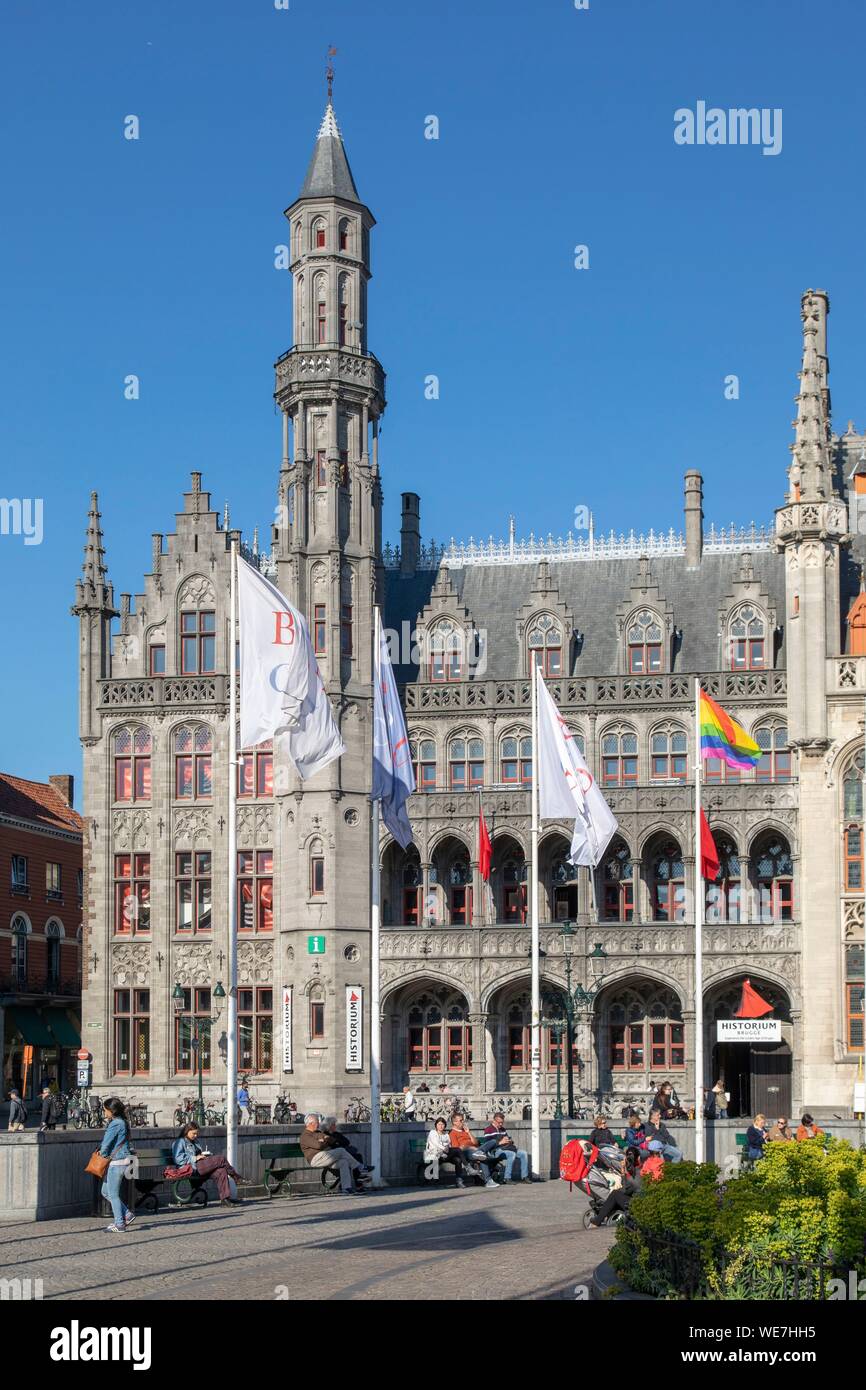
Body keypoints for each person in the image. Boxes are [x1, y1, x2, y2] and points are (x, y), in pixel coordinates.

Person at [171, 1123, 250, 1205]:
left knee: (221, 1171)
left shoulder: (195, 1142)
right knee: (221, 1159)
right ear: (187, 1131)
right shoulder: (180, 1142)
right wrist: (195, 1158)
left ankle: (225, 1200)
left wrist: (204, 1156)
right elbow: (178, 1159)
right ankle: (237, 1178)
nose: (195, 1136)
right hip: (191, 1168)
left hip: (200, 1167)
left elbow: (198, 1155)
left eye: (197, 1133)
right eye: (193, 1133)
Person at [299, 1113, 366, 1194]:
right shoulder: (305, 1136)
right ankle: (359, 1167)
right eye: (317, 1122)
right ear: (311, 1123)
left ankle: (346, 1188)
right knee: (341, 1151)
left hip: (324, 1157)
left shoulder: (316, 1133)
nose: (318, 1124)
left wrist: (324, 1140)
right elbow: (318, 1146)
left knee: (343, 1162)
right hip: (315, 1158)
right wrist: (324, 1140)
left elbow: (331, 1139)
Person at [98, 1097, 134, 1234]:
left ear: (111, 1111)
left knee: (113, 1194)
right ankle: (127, 1215)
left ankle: (119, 1224)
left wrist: (102, 1155)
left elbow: (106, 1142)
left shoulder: (115, 1124)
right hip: (121, 1160)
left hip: (117, 1161)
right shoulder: (122, 1122)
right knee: (105, 1191)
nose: (104, 1112)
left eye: (105, 1109)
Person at [589, 1145, 643, 1226]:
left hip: (637, 1204)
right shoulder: (641, 1169)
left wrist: (623, 1173)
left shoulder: (634, 1173)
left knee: (615, 1194)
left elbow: (625, 1190)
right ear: (638, 1158)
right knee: (616, 1194)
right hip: (640, 1200)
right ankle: (605, 1212)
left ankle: (598, 1220)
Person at [449, 1113, 498, 1188]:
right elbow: (457, 1149)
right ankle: (488, 1181)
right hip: (465, 1153)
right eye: (461, 1120)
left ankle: (479, 1152)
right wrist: (470, 1147)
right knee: (482, 1156)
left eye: (463, 1120)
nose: (463, 1122)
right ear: (454, 1122)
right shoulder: (452, 1133)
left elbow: (475, 1142)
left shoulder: (465, 1131)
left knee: (493, 1142)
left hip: (475, 1150)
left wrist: (468, 1132)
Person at [320, 1116, 373, 1183]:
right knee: (355, 1157)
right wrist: (337, 1142)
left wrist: (337, 1142)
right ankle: (360, 1178)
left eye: (335, 1124)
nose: (335, 1126)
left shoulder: (336, 1134)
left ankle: (360, 1176)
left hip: (343, 1154)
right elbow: (332, 1146)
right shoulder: (324, 1135)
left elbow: (347, 1142)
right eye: (333, 1124)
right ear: (328, 1126)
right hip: (333, 1157)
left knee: (357, 1156)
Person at [482, 1112, 529, 1182]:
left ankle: (524, 1177)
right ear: (494, 1121)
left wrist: (509, 1141)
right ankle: (507, 1178)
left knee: (523, 1153)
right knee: (511, 1154)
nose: (500, 1124)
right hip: (495, 1151)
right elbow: (487, 1144)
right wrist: (500, 1142)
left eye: (502, 1122)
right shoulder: (488, 1129)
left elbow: (506, 1139)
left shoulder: (502, 1129)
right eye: (499, 1122)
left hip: (506, 1148)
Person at [424, 1116, 467, 1187]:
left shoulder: (446, 1135)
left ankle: (459, 1180)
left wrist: (445, 1148)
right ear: (436, 1125)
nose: (441, 1126)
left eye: (442, 1124)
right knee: (458, 1150)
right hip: (435, 1155)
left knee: (458, 1160)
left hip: (445, 1155)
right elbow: (436, 1143)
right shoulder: (433, 1132)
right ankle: (467, 1167)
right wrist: (444, 1148)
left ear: (445, 1126)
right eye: (439, 1124)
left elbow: (449, 1145)